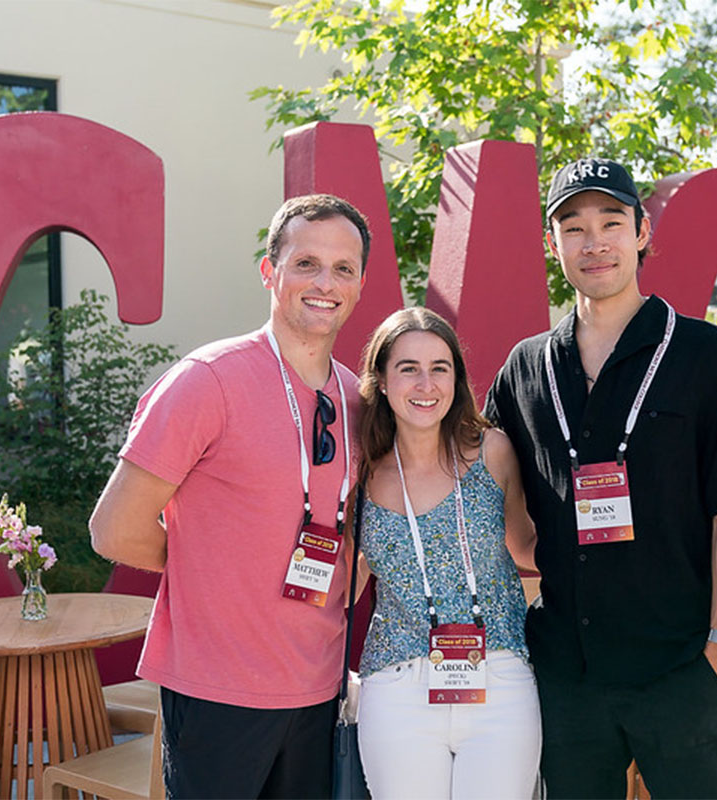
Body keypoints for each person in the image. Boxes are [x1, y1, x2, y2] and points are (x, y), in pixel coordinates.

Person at [484, 157, 717, 799]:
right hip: (569, 677)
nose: (595, 243)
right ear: (551, 243)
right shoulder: (524, 367)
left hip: (680, 669)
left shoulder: (705, 355)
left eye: (611, 221)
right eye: (574, 227)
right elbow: (490, 482)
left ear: (642, 231)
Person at [89, 194, 370, 799]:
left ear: (360, 284)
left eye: (343, 268)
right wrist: (208, 564)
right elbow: (113, 530)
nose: (325, 282)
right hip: (218, 692)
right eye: (306, 263)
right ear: (269, 272)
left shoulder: (358, 400)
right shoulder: (206, 380)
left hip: (318, 691)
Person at [353, 307, 541, 799]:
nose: (425, 383)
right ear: (382, 379)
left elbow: (527, 545)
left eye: (440, 368)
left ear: (456, 379)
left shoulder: (492, 451)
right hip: (396, 687)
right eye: (408, 368)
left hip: (499, 675)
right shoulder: (362, 471)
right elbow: (344, 586)